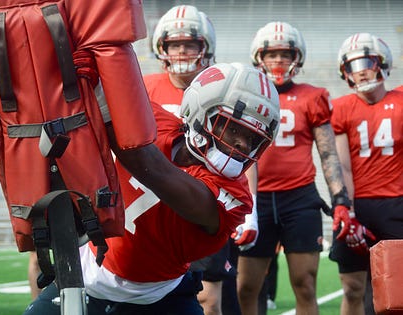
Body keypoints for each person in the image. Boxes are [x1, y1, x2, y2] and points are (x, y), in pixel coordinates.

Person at [23, 62, 281, 315]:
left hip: (159, 298)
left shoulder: (236, 198)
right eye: (233, 128)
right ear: (201, 112)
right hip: (86, 277)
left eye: (253, 139)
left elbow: (151, 169)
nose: (242, 145)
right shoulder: (157, 123)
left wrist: (101, 94)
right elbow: (95, 95)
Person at [145, 6, 257, 315]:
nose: (181, 51)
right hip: (150, 206)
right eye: (174, 44)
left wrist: (252, 211)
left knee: (208, 298)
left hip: (203, 202)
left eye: (189, 43)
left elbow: (243, 152)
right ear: (161, 48)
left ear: (204, 46)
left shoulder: (223, 89)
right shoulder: (144, 88)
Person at [236, 21, 350, 315]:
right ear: (259, 56)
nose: (278, 60)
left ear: (296, 58)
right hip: (256, 199)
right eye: (271, 54)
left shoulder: (312, 97)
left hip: (299, 199)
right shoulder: (247, 93)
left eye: (284, 54)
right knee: (246, 287)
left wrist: (340, 198)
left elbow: (327, 154)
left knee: (305, 283)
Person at [329, 32, 403, 315]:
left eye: (366, 64)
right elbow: (342, 165)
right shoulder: (342, 107)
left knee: (396, 292)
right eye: (353, 67)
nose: (360, 73)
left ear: (381, 63)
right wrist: (346, 208)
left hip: (396, 203)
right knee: (353, 288)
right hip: (358, 204)